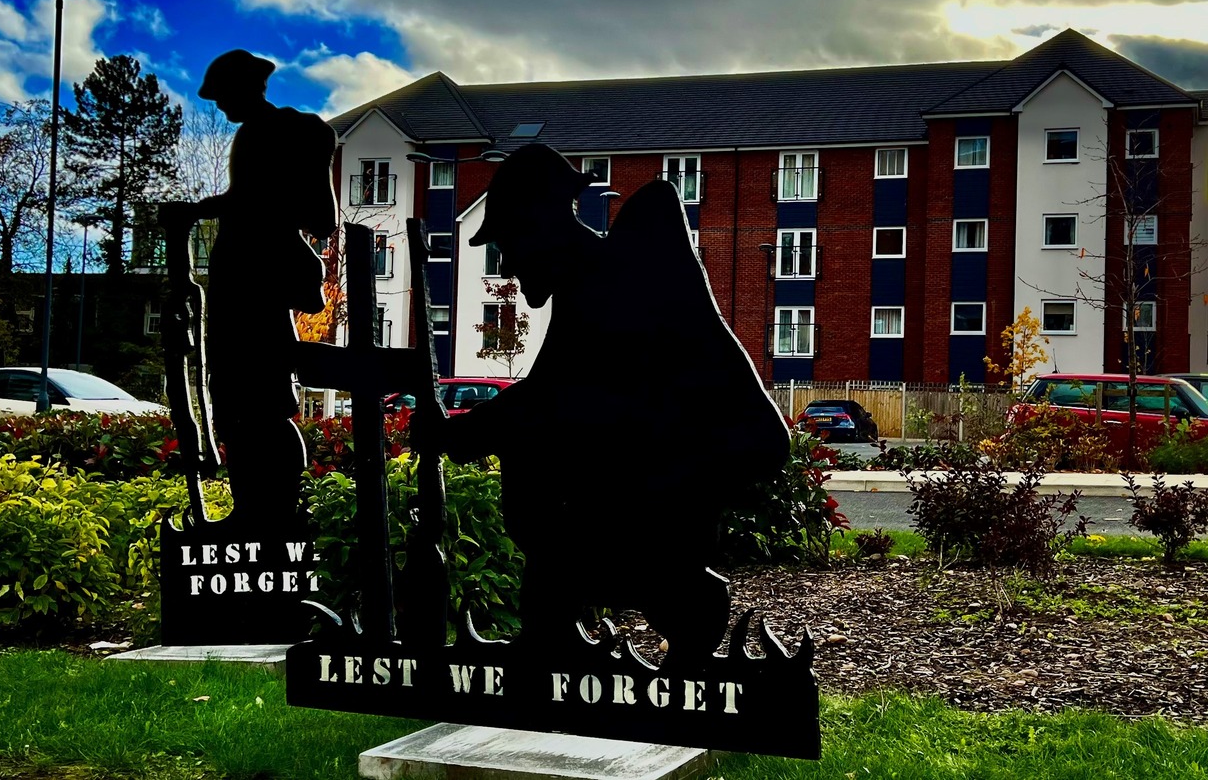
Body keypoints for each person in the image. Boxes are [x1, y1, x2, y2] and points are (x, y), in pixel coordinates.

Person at [414, 143, 788, 667]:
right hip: (663, 463)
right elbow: (552, 393)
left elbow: (555, 399)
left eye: (509, 247)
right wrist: (472, 430)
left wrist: (458, 434)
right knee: (544, 513)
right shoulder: (591, 282)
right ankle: (556, 639)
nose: (512, 269)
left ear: (536, 227)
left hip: (687, 469)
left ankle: (684, 600)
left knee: (560, 529)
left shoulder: (611, 283)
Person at [190, 49, 337, 525]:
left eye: (222, 96)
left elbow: (251, 204)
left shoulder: (269, 133)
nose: (219, 107)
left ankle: (267, 510)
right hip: (244, 278)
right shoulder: (259, 133)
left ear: (243, 88)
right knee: (243, 400)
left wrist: (193, 213)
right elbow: (245, 201)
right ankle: (255, 508)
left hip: (254, 281)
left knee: (253, 397)